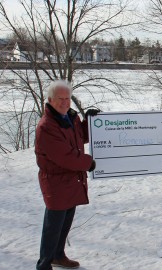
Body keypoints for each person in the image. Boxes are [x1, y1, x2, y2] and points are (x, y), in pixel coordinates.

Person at [35, 80, 100, 270]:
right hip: (56, 182)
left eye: (67, 98)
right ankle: (44, 264)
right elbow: (65, 156)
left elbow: (81, 136)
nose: (64, 103)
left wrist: (91, 122)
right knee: (53, 226)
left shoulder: (69, 118)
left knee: (65, 222)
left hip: (71, 180)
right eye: (60, 99)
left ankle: (58, 255)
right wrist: (88, 163)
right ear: (50, 100)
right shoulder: (47, 126)